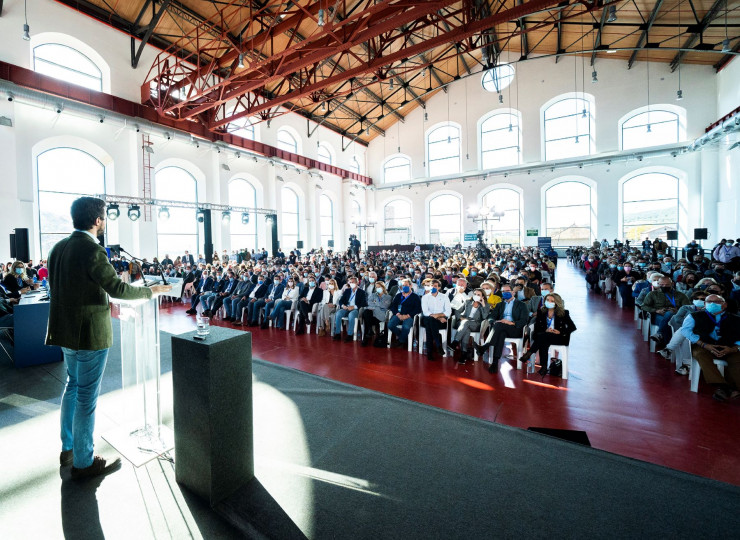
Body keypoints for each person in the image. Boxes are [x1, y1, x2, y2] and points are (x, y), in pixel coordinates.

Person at [46, 197, 170, 480]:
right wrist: (154, 291)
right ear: (98, 220)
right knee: (86, 398)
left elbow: (69, 289)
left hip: (65, 330)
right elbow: (118, 289)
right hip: (89, 334)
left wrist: (101, 301)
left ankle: (68, 448)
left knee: (72, 387)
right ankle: (83, 462)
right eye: (105, 217)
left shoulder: (57, 248)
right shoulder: (92, 250)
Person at [681, 294, 740, 402]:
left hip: (728, 347)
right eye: (709, 302)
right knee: (700, 354)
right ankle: (722, 386)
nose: (712, 304)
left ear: (725, 305)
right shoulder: (694, 316)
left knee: (737, 359)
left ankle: (734, 387)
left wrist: (734, 348)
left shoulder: (736, 319)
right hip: (703, 346)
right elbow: (685, 331)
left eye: (717, 302)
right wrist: (703, 344)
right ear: (705, 304)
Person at [474, 283, 529, 374]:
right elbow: (491, 316)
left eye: (507, 291)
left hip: (514, 329)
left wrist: (511, 323)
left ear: (513, 292)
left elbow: (524, 320)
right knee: (501, 333)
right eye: (503, 291)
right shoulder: (500, 304)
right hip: (501, 328)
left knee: (499, 326)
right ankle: (495, 363)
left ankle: (484, 347)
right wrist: (494, 321)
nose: (505, 293)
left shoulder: (521, 305)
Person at [519, 293, 577, 375]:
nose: (549, 302)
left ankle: (530, 353)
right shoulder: (541, 312)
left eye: (552, 301)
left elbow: (572, 327)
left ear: (556, 303)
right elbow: (538, 328)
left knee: (543, 338)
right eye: (547, 300)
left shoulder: (564, 313)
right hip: (545, 335)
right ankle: (543, 367)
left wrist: (560, 331)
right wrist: (546, 330)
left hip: (559, 337)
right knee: (544, 340)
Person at [643, 276, 690, 350]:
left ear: (672, 284)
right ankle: (668, 347)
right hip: (658, 315)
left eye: (667, 285)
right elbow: (644, 306)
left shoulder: (681, 295)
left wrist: (678, 311)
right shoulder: (652, 294)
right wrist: (656, 310)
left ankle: (660, 335)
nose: (664, 286)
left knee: (669, 315)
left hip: (676, 316)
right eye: (662, 285)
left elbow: (688, 308)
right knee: (669, 323)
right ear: (658, 284)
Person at [449, 288, 488, 364]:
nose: (476, 296)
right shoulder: (468, 302)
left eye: (478, 295)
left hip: (475, 324)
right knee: (466, 330)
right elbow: (457, 310)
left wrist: (483, 305)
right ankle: (463, 354)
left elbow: (485, 317)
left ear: (482, 297)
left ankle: (455, 342)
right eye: (475, 294)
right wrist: (460, 317)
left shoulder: (485, 305)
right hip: (465, 323)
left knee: (466, 323)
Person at [420, 279, 451, 360]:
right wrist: (439, 317)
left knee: (430, 326)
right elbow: (426, 312)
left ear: (439, 288)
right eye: (432, 286)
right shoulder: (425, 297)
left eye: (435, 286)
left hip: (440, 321)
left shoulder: (444, 297)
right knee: (430, 320)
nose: (433, 287)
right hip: (428, 318)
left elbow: (448, 311)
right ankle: (438, 344)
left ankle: (430, 352)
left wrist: (439, 316)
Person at [387, 279, 422, 348]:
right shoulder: (398, 296)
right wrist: (397, 314)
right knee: (390, 325)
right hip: (398, 315)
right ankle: (403, 338)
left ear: (410, 285)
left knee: (406, 327)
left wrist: (408, 315)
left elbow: (418, 309)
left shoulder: (415, 297)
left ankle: (401, 341)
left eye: (406, 285)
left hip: (409, 316)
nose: (404, 287)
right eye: (403, 285)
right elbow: (393, 306)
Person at [333, 276, 368, 342]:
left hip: (355, 309)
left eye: (353, 282)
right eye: (350, 282)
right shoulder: (347, 291)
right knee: (338, 313)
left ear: (357, 283)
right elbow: (341, 301)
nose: (351, 283)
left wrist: (354, 307)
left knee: (351, 315)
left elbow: (364, 303)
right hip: (346, 307)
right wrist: (343, 305)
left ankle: (350, 335)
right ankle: (337, 333)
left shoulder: (362, 292)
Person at [361, 281, 392, 347]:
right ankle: (370, 330)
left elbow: (384, 306)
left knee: (367, 317)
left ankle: (367, 337)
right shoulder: (373, 295)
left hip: (381, 316)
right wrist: (377, 305)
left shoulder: (388, 297)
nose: (377, 288)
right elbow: (369, 303)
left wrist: (375, 305)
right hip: (372, 316)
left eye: (379, 287)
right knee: (366, 312)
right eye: (376, 287)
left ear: (383, 288)